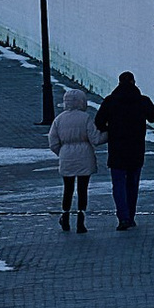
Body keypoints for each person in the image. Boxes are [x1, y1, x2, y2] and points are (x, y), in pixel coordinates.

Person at [96, 71, 154, 230]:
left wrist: (111, 129)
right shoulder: (142, 101)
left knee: (118, 184)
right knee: (132, 184)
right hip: (136, 149)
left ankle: (123, 216)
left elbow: (99, 122)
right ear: (134, 82)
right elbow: (153, 116)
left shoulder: (110, 101)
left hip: (117, 149)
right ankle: (131, 215)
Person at [48, 93, 99, 231]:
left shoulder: (59, 119)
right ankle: (81, 220)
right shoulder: (86, 118)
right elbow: (95, 139)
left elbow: (53, 142)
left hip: (67, 158)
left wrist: (63, 153)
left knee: (68, 188)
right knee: (83, 189)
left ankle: (65, 217)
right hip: (85, 157)